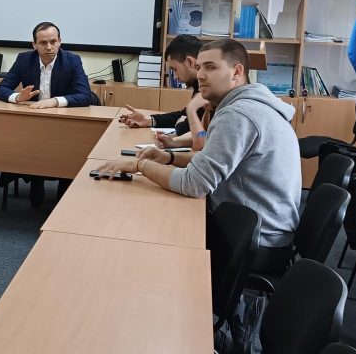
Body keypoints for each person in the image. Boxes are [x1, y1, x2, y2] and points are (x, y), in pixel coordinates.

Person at [98, 40, 301, 275]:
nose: (201, 75)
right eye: (200, 67)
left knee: (145, 234)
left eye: (211, 67)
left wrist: (140, 165)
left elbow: (193, 184)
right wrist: (167, 157)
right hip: (259, 228)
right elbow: (209, 158)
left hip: (254, 240)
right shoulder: (247, 104)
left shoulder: (238, 115)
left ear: (237, 72)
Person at [0, 21, 97, 207]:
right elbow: (2, 89)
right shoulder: (24, 59)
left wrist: (54, 101)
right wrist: (18, 97)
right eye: (43, 43)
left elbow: (85, 95)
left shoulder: (72, 60)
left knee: (69, 152)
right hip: (35, 125)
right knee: (30, 145)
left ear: (60, 41)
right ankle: (36, 180)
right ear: (34, 45)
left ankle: (64, 188)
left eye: (53, 41)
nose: (49, 47)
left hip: (66, 125)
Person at [118, 34, 211, 149]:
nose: (175, 77)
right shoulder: (198, 85)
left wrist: (179, 127)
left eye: (175, 69)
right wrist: (148, 120)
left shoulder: (209, 90)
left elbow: (193, 130)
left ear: (190, 62)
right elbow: (185, 116)